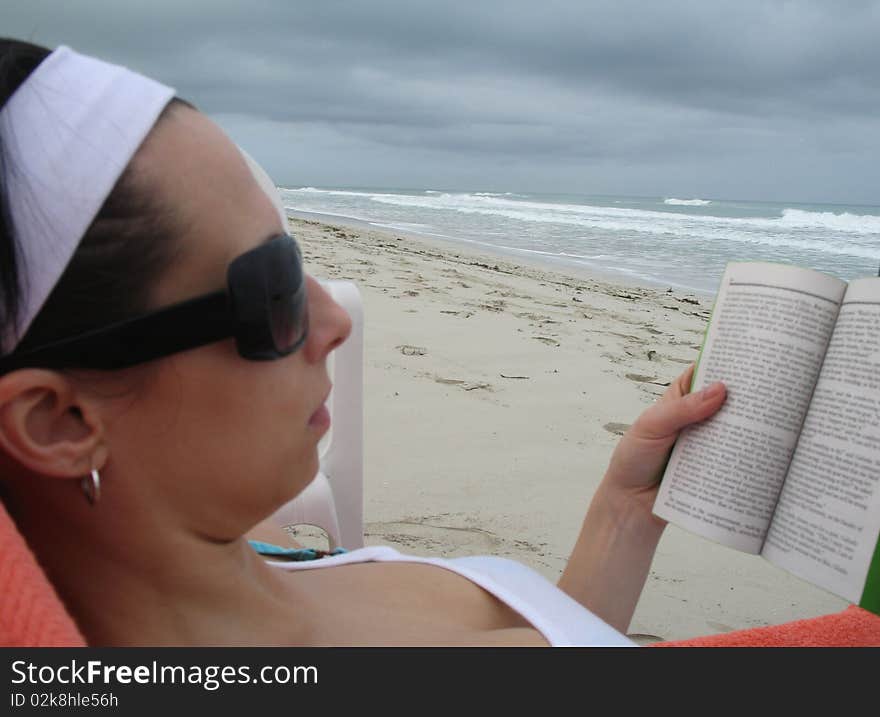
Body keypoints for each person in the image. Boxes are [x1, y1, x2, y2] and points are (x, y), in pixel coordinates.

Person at [0, 39, 727, 646]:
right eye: (274, 286)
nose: (336, 321)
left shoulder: (224, 553)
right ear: (59, 421)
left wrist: (626, 508)